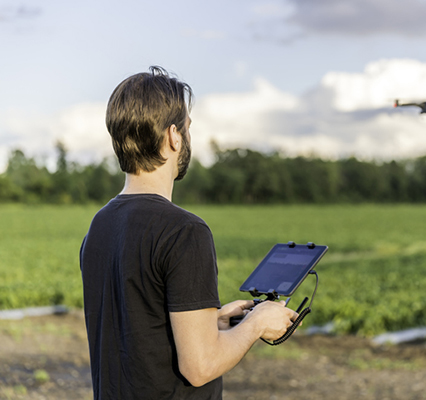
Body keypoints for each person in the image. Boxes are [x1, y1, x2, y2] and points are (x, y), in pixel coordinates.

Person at [79, 66, 298, 399]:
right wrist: (257, 323)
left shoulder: (99, 226)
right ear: (173, 136)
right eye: (188, 128)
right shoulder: (185, 232)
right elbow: (200, 367)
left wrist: (216, 322)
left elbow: (140, 331)